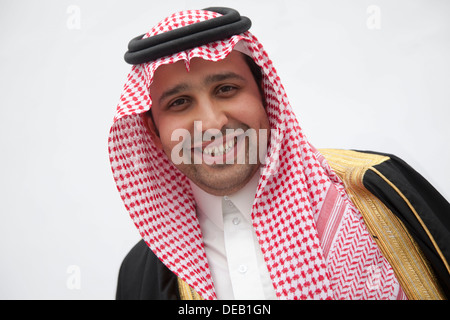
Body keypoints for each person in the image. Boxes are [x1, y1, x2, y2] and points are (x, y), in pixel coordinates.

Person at [109, 7, 450, 300]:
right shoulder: (144, 272)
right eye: (179, 103)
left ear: (264, 96)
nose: (211, 123)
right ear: (153, 132)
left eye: (226, 89)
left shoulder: (375, 186)